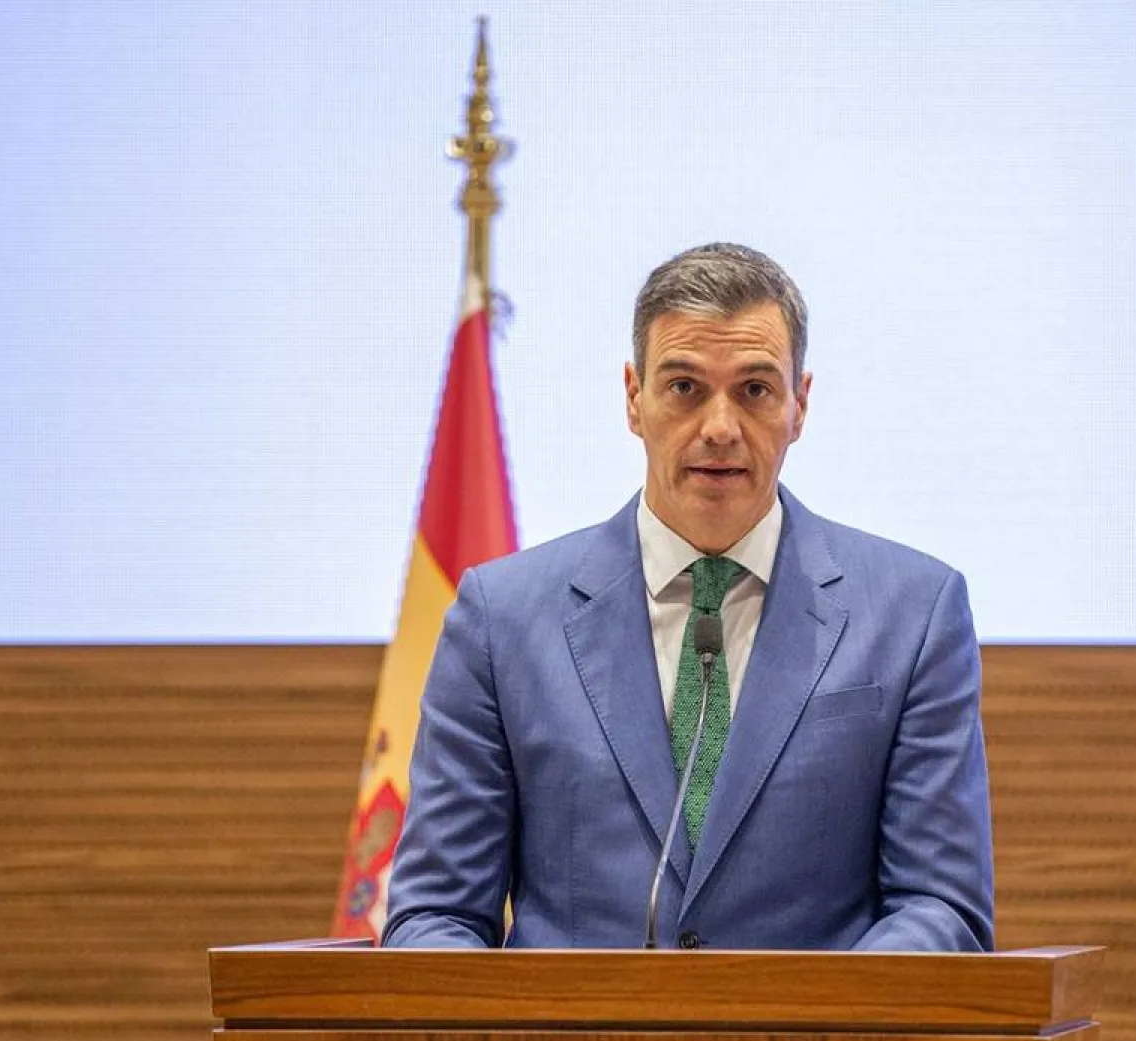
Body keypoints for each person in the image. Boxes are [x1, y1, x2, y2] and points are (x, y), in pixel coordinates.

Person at [382, 243, 994, 951]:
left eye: (756, 389)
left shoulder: (913, 615)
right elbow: (436, 914)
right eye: (684, 387)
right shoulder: (502, 618)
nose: (720, 427)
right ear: (633, 399)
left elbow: (940, 906)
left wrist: (821, 1025)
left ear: (800, 404)